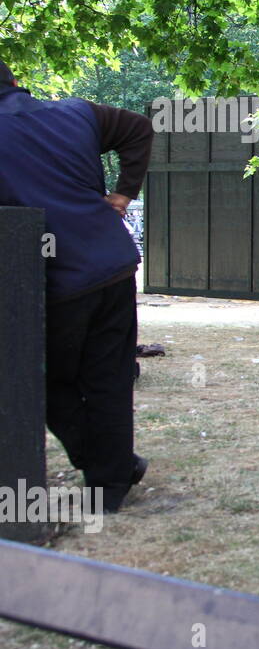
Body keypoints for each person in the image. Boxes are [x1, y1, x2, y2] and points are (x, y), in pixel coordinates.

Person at [0, 60, 152, 513]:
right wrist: (122, 195)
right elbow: (139, 128)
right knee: (108, 379)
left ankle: (113, 467)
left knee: (42, 381)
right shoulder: (74, 113)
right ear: (15, 82)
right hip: (112, 263)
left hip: (56, 280)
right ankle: (110, 486)